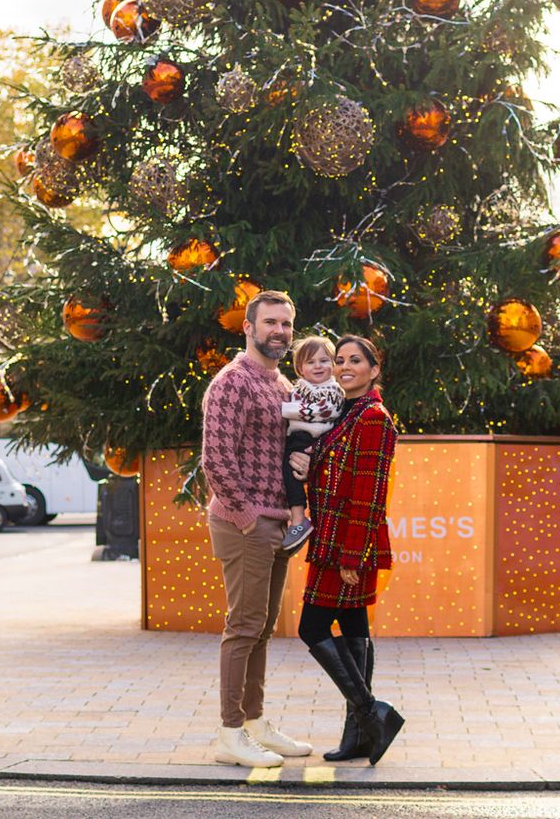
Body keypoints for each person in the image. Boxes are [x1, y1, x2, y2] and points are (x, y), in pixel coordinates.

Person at [198, 288, 311, 768]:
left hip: (277, 524)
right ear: (248, 327)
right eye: (270, 323)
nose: (280, 332)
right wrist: (247, 518)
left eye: (286, 324)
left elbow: (284, 451)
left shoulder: (281, 383)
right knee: (243, 627)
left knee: (262, 629)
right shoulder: (232, 382)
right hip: (246, 523)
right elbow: (215, 460)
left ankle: (255, 722)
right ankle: (229, 733)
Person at [292, 334, 405, 764]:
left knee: (312, 627)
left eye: (355, 360)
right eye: (340, 360)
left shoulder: (373, 417)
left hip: (347, 542)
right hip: (334, 539)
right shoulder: (346, 412)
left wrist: (351, 556)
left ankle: (372, 715)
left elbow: (370, 492)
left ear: (374, 370)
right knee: (355, 628)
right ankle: (358, 736)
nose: (344, 367)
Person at [277, 336, 344, 556]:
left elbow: (325, 411)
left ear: (333, 365)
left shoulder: (334, 391)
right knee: (287, 473)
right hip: (295, 437)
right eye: (310, 362)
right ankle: (296, 517)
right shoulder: (297, 389)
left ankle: (299, 519)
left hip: (314, 439)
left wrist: (288, 409)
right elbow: (304, 407)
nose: (318, 366)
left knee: (292, 473)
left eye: (324, 360)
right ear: (300, 369)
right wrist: (295, 407)